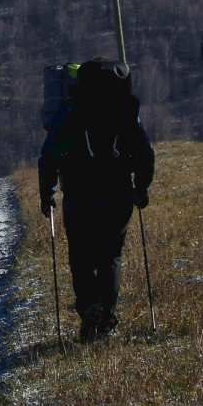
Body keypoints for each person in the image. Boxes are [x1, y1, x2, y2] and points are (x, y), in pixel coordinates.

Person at [38, 60, 154, 341]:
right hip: (117, 194)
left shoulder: (69, 109)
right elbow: (145, 152)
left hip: (78, 195)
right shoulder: (125, 108)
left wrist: (47, 192)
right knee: (110, 256)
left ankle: (89, 306)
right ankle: (107, 318)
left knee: (81, 256)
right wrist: (142, 188)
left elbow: (49, 154)